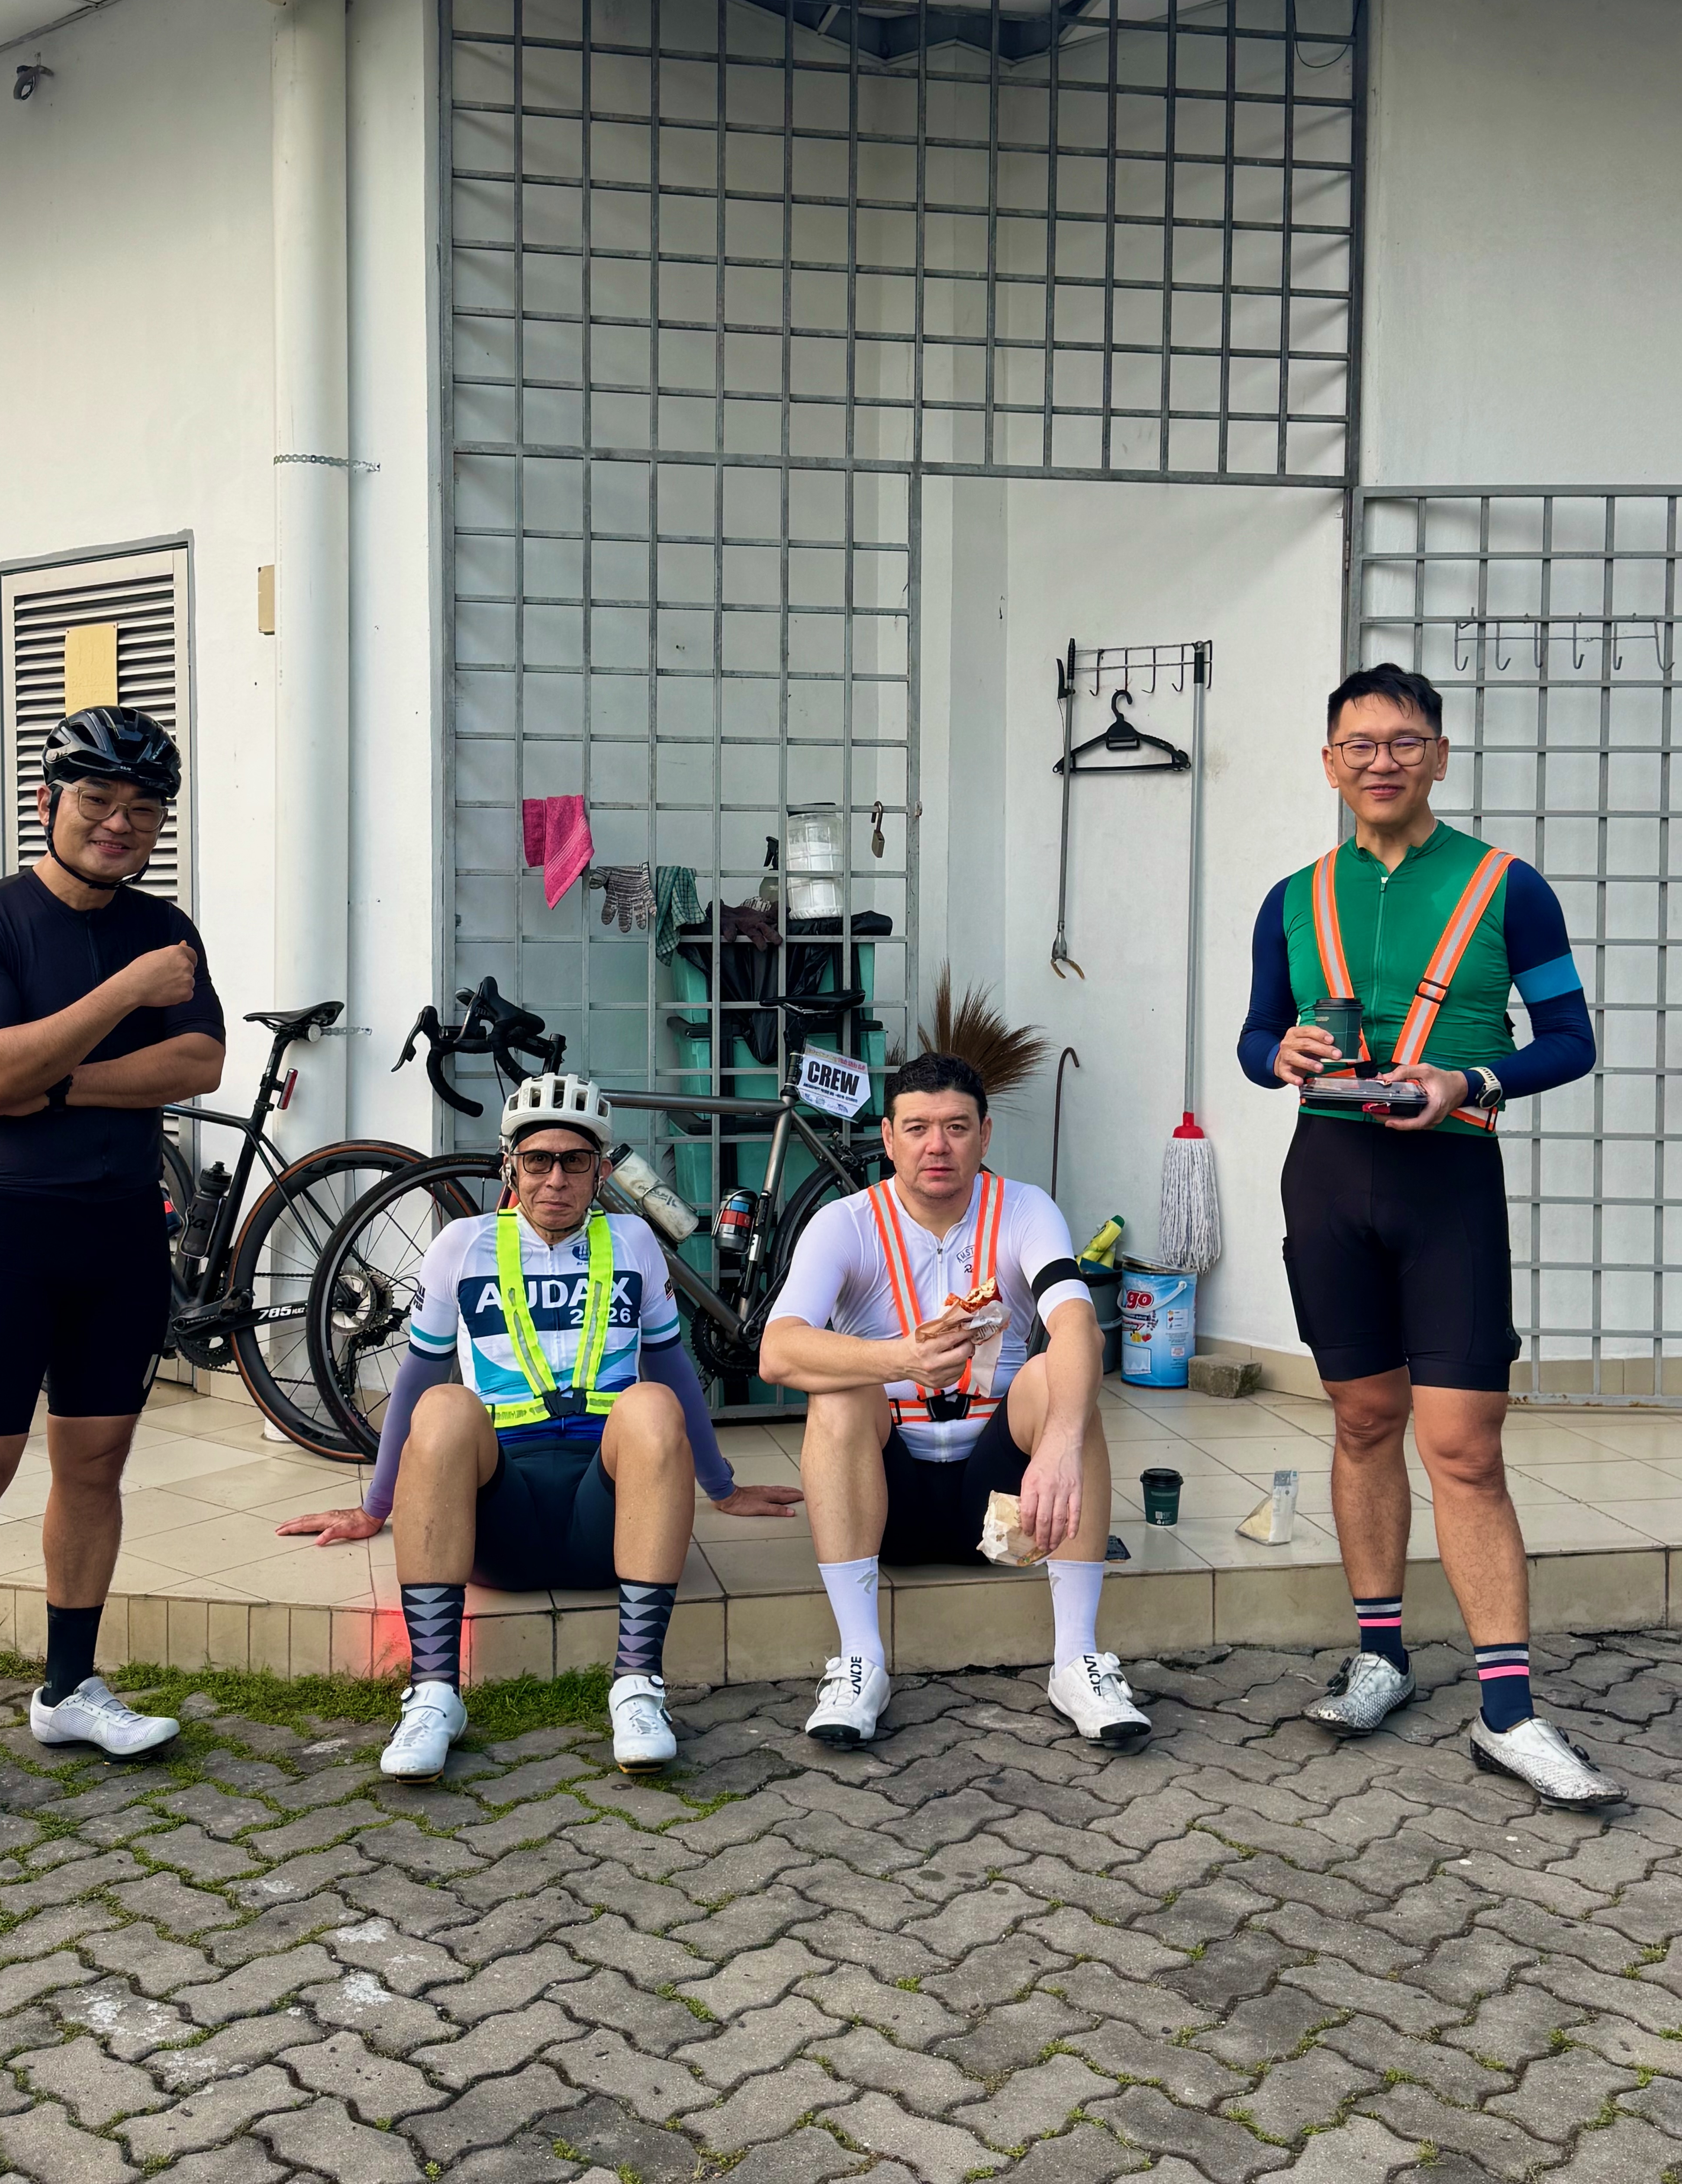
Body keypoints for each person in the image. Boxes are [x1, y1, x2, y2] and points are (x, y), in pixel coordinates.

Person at [1238, 662, 1620, 1808]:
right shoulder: (1292, 898)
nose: (1382, 761)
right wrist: (1277, 1055)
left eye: (1404, 741)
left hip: (1448, 1180)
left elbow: (1570, 1039)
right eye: (1358, 745)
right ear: (1329, 763)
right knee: (1362, 1419)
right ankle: (1380, 1657)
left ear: (1439, 757)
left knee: (1464, 1447)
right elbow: (1256, 1038)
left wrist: (1471, 1078)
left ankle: (1508, 1714)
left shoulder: (1508, 886)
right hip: (1326, 1177)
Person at [0, 707, 225, 1827]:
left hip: (120, 1226)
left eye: (143, 811)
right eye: (98, 802)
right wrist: (124, 996)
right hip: (6, 1226)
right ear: (49, 804)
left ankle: (69, 1689)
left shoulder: (167, 926)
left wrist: (61, 1082)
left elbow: (200, 1062)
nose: (120, 825)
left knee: (95, 1463)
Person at [280, 1071, 802, 1779]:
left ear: (601, 1171)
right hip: (500, 1522)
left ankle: (637, 1689)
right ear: (510, 1167)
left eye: (575, 1161)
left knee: (651, 1402)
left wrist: (723, 1486)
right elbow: (416, 1382)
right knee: (445, 1405)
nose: (555, 1179)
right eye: (538, 1161)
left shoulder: (634, 1241)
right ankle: (433, 1696)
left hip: (609, 1519)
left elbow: (675, 1370)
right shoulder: (462, 1245)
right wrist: (376, 1507)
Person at [759, 1051, 1146, 1751]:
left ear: (985, 1135)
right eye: (917, 1128)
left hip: (1007, 1509)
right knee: (838, 1395)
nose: (936, 1146)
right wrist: (899, 1359)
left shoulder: (1024, 1209)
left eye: (957, 1128)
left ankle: (1077, 1660)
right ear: (888, 1138)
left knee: (1062, 1373)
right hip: (888, 1505)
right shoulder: (846, 1222)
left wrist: (1060, 1444)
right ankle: (859, 1661)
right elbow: (778, 1352)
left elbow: (1076, 1324)